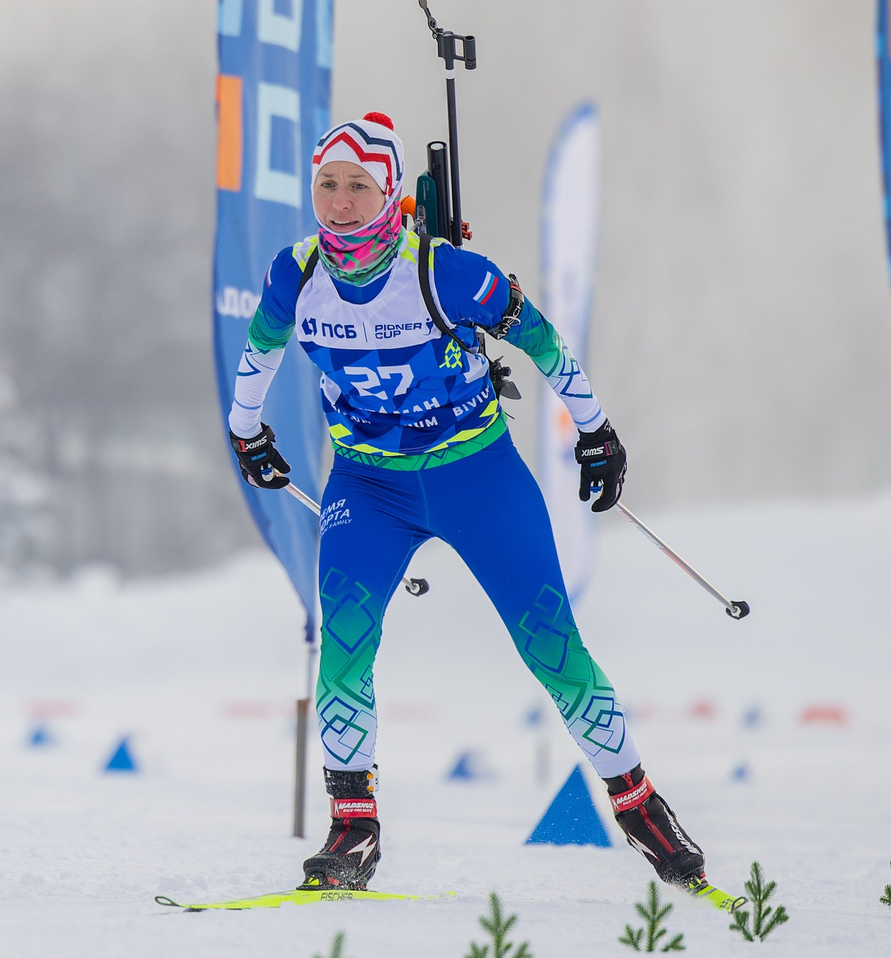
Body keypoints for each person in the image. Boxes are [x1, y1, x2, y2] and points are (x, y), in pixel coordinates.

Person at [226, 110, 710, 894]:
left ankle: (640, 805)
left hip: (476, 475)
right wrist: (245, 430)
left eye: (359, 186)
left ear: (390, 191)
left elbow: (542, 339)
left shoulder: (442, 271)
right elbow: (258, 353)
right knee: (345, 648)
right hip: (368, 485)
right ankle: (353, 829)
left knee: (552, 646)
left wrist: (597, 431)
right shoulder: (297, 272)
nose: (340, 203)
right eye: (327, 185)